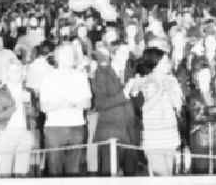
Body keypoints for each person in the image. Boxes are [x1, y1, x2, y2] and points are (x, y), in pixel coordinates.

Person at [39, 43, 92, 177]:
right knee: (54, 170)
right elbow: (44, 107)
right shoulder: (48, 77)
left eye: (71, 54)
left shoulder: (81, 76)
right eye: (65, 54)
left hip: (77, 127)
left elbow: (87, 102)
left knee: (74, 170)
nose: (69, 57)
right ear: (58, 57)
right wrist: (65, 103)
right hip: (55, 129)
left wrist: (70, 104)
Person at [91, 43, 139, 176]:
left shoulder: (131, 74)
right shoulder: (102, 73)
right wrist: (123, 94)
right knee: (108, 176)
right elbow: (100, 103)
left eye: (127, 53)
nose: (125, 56)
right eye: (122, 53)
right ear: (113, 55)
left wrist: (137, 94)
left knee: (131, 177)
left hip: (130, 135)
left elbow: (136, 104)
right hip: (110, 134)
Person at [133, 47, 182, 176]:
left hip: (170, 134)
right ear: (156, 64)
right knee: (162, 176)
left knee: (169, 175)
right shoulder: (143, 82)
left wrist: (174, 91)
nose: (168, 64)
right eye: (165, 62)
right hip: (154, 137)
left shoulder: (171, 80)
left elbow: (178, 106)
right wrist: (160, 91)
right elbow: (143, 109)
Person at [0, 61, 38, 178]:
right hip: (5, 133)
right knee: (3, 174)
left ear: (22, 73)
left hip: (24, 134)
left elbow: (35, 114)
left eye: (18, 71)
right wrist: (16, 105)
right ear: (7, 73)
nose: (15, 73)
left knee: (22, 175)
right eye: (12, 71)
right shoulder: (1, 90)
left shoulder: (29, 91)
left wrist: (29, 106)